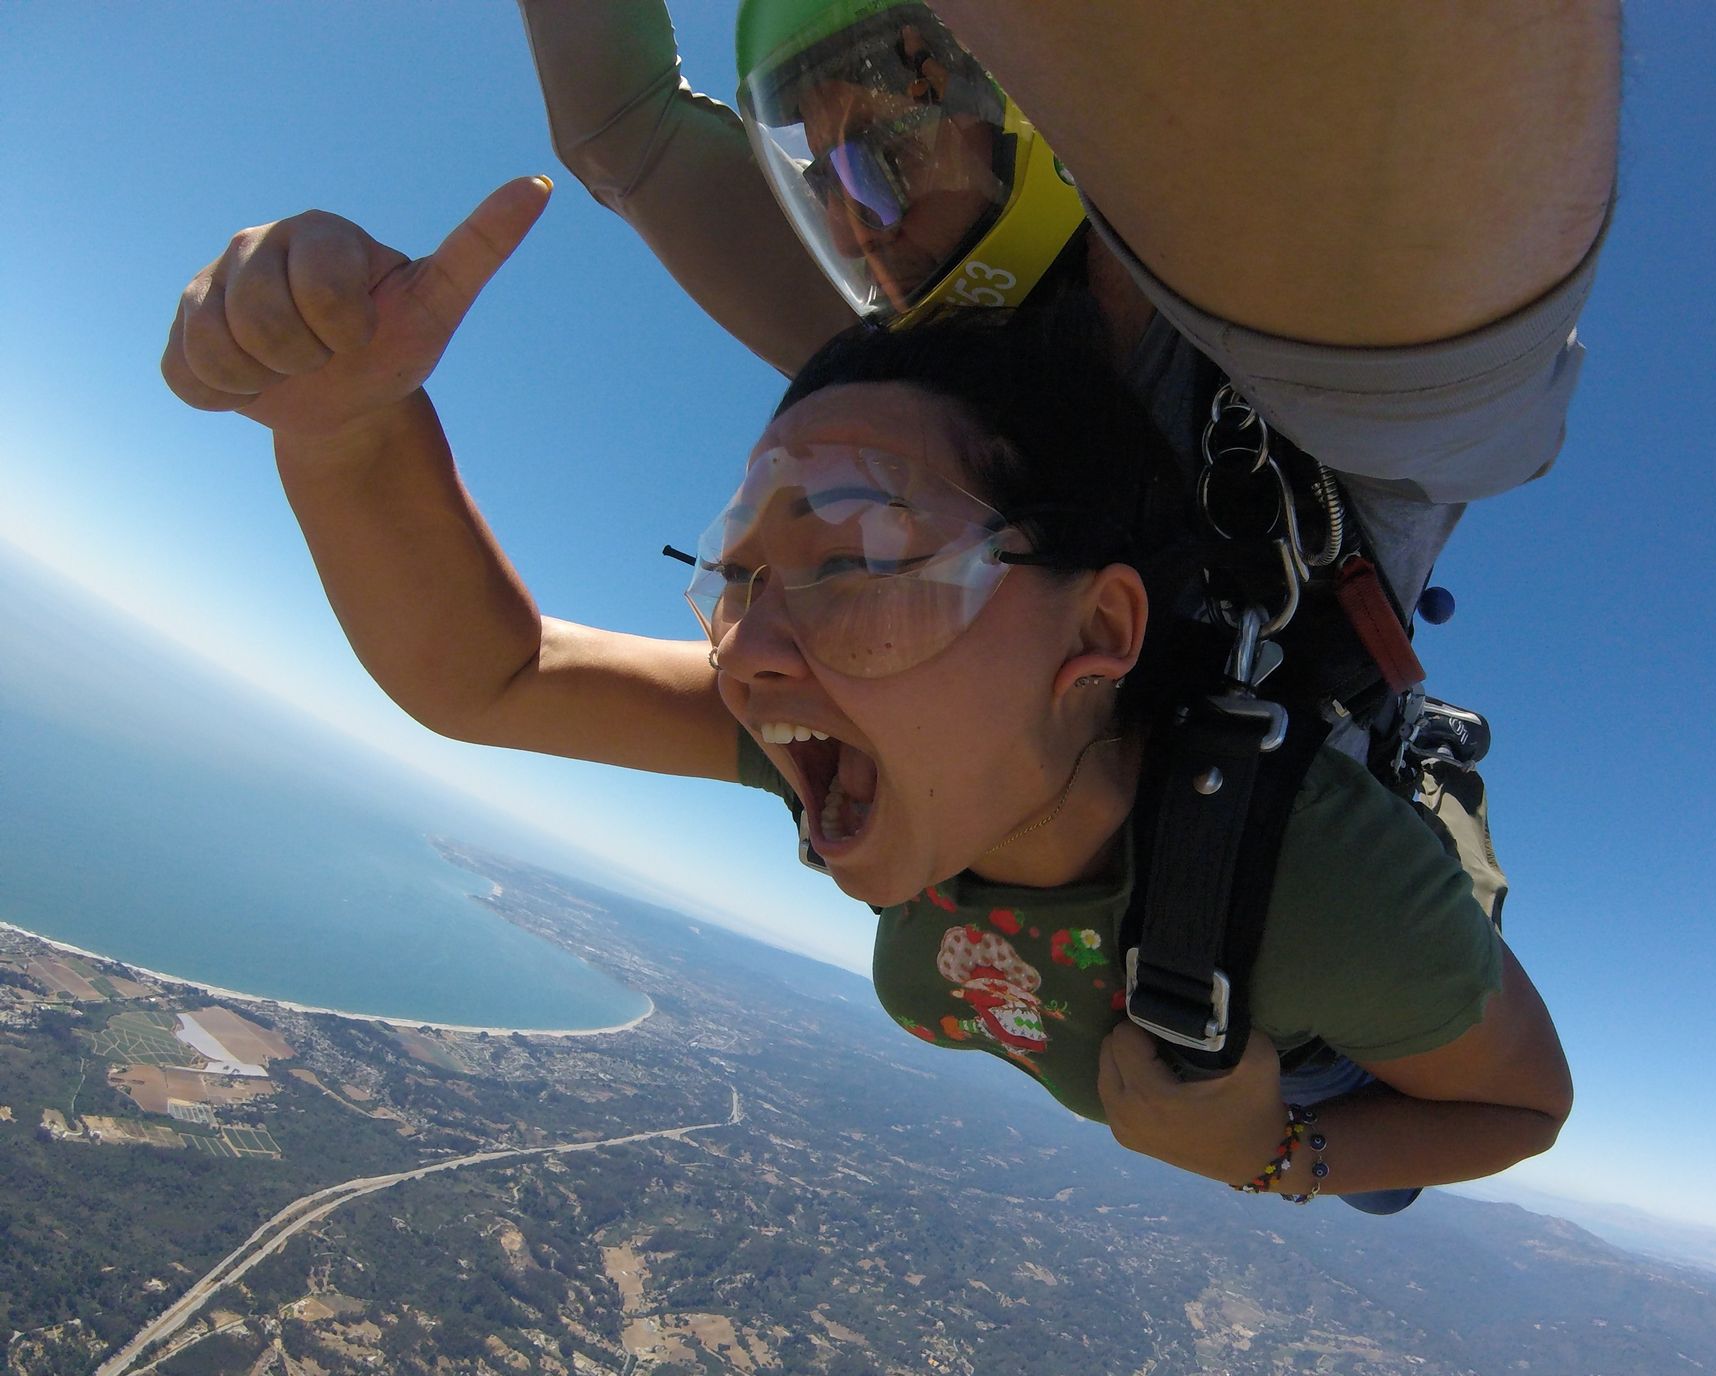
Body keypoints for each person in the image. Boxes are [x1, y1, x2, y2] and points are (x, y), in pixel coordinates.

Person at [159, 179, 1573, 1204]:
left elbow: (1521, 1105)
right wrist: (345, 434)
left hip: (1318, 1072)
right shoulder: (844, 724)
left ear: (1100, 625)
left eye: (858, 562)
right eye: (742, 576)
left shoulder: (1320, 885)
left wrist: (1280, 1158)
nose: (756, 650)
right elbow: (498, 675)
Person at [518, 0, 1618, 638]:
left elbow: (1463, 354)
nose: (853, 230)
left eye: (884, 154)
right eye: (818, 175)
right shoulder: (933, 375)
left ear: (1034, 109)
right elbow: (625, 134)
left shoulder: (1340, 398)